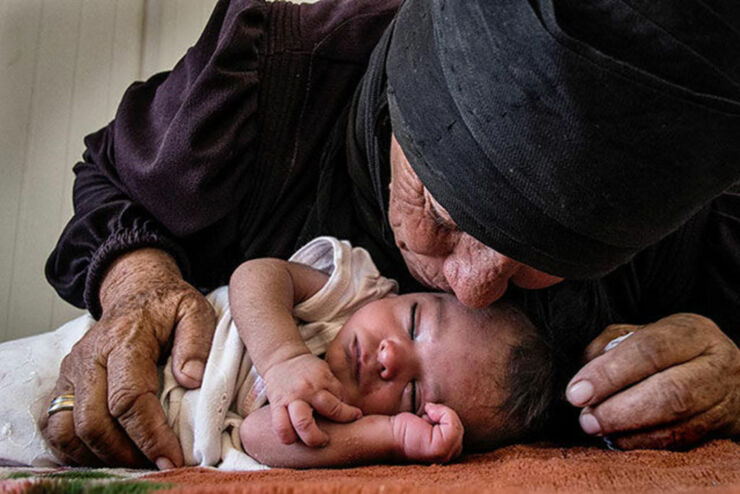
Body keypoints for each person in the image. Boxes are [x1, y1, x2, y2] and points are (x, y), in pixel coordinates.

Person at [42, 0, 740, 469]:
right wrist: (138, 281)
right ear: (396, 118)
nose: (470, 287)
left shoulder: (685, 191)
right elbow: (111, 183)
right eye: (442, 215)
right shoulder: (272, 83)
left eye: (540, 261)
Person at [1, 238, 553, 468]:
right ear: (407, 292)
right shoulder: (352, 292)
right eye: (413, 323)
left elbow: (259, 438)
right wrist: (283, 355)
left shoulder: (354, 422)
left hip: (133, 442)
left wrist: (392, 437)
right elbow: (256, 276)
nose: (390, 356)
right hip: (101, 361)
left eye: (411, 391)